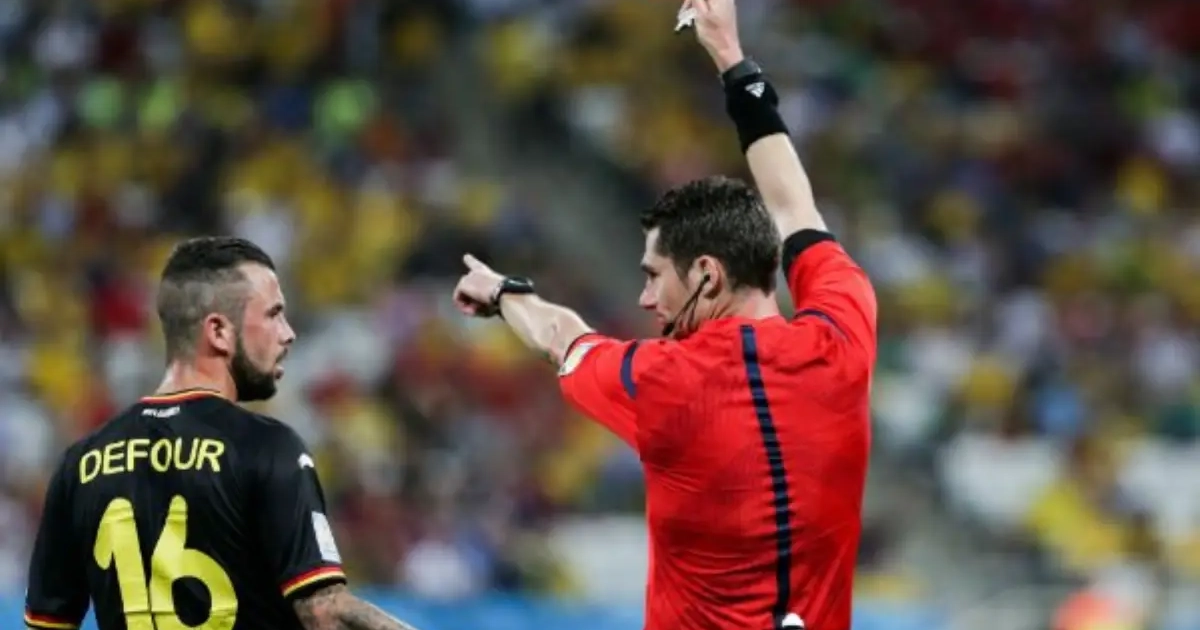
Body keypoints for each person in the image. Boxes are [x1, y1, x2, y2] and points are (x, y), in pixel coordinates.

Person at [452, 1, 877, 629]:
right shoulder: (843, 335)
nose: (646, 300)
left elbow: (560, 336)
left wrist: (503, 293)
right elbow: (794, 207)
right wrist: (732, 59)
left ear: (706, 273)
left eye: (654, 276)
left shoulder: (658, 382)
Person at [24, 237, 417, 630]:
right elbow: (323, 611)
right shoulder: (266, 448)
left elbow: (46, 624)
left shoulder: (80, 464)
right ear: (218, 331)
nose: (288, 333)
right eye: (273, 314)